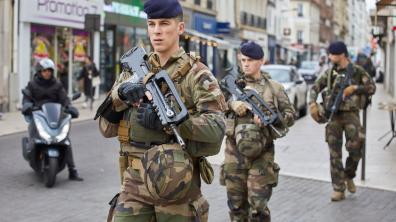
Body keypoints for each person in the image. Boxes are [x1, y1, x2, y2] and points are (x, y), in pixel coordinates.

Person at [97, 0, 226, 221]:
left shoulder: (197, 74)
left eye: (164, 23)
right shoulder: (133, 70)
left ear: (180, 28)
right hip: (134, 183)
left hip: (178, 184)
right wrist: (121, 96)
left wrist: (172, 123)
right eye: (152, 24)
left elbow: (217, 128)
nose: (157, 31)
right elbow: (105, 129)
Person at [221, 41, 295, 222]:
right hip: (234, 153)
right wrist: (232, 103)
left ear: (261, 61)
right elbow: (214, 107)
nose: (245, 64)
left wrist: (273, 117)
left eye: (250, 60)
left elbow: (290, 115)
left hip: (262, 156)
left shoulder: (274, 88)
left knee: (258, 208)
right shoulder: (231, 85)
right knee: (236, 206)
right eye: (243, 60)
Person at [309, 41, 376, 201]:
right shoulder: (329, 72)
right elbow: (315, 87)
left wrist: (355, 88)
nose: (330, 57)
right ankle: (338, 188)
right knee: (334, 154)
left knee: (356, 148)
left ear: (342, 55)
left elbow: (372, 87)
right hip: (333, 117)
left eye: (332, 54)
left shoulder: (357, 71)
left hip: (351, 115)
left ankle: (349, 175)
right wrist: (312, 103)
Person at [21, 58, 83, 181]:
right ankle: (31, 153)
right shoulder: (32, 84)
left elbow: (64, 99)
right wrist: (27, 105)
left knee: (65, 140)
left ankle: (72, 170)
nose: (47, 73)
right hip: (38, 115)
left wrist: (69, 107)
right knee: (35, 136)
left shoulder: (57, 84)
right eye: (44, 70)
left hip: (54, 116)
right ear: (39, 71)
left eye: (49, 70)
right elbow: (27, 98)